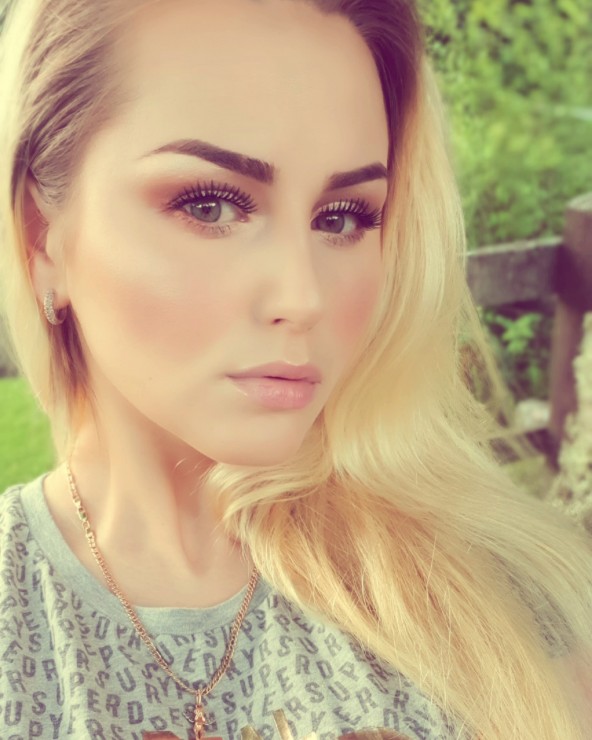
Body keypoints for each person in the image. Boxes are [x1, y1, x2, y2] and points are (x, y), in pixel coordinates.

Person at [0, 0, 590, 738]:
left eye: (343, 217)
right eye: (211, 206)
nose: (303, 297)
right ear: (42, 239)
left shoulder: (501, 600)